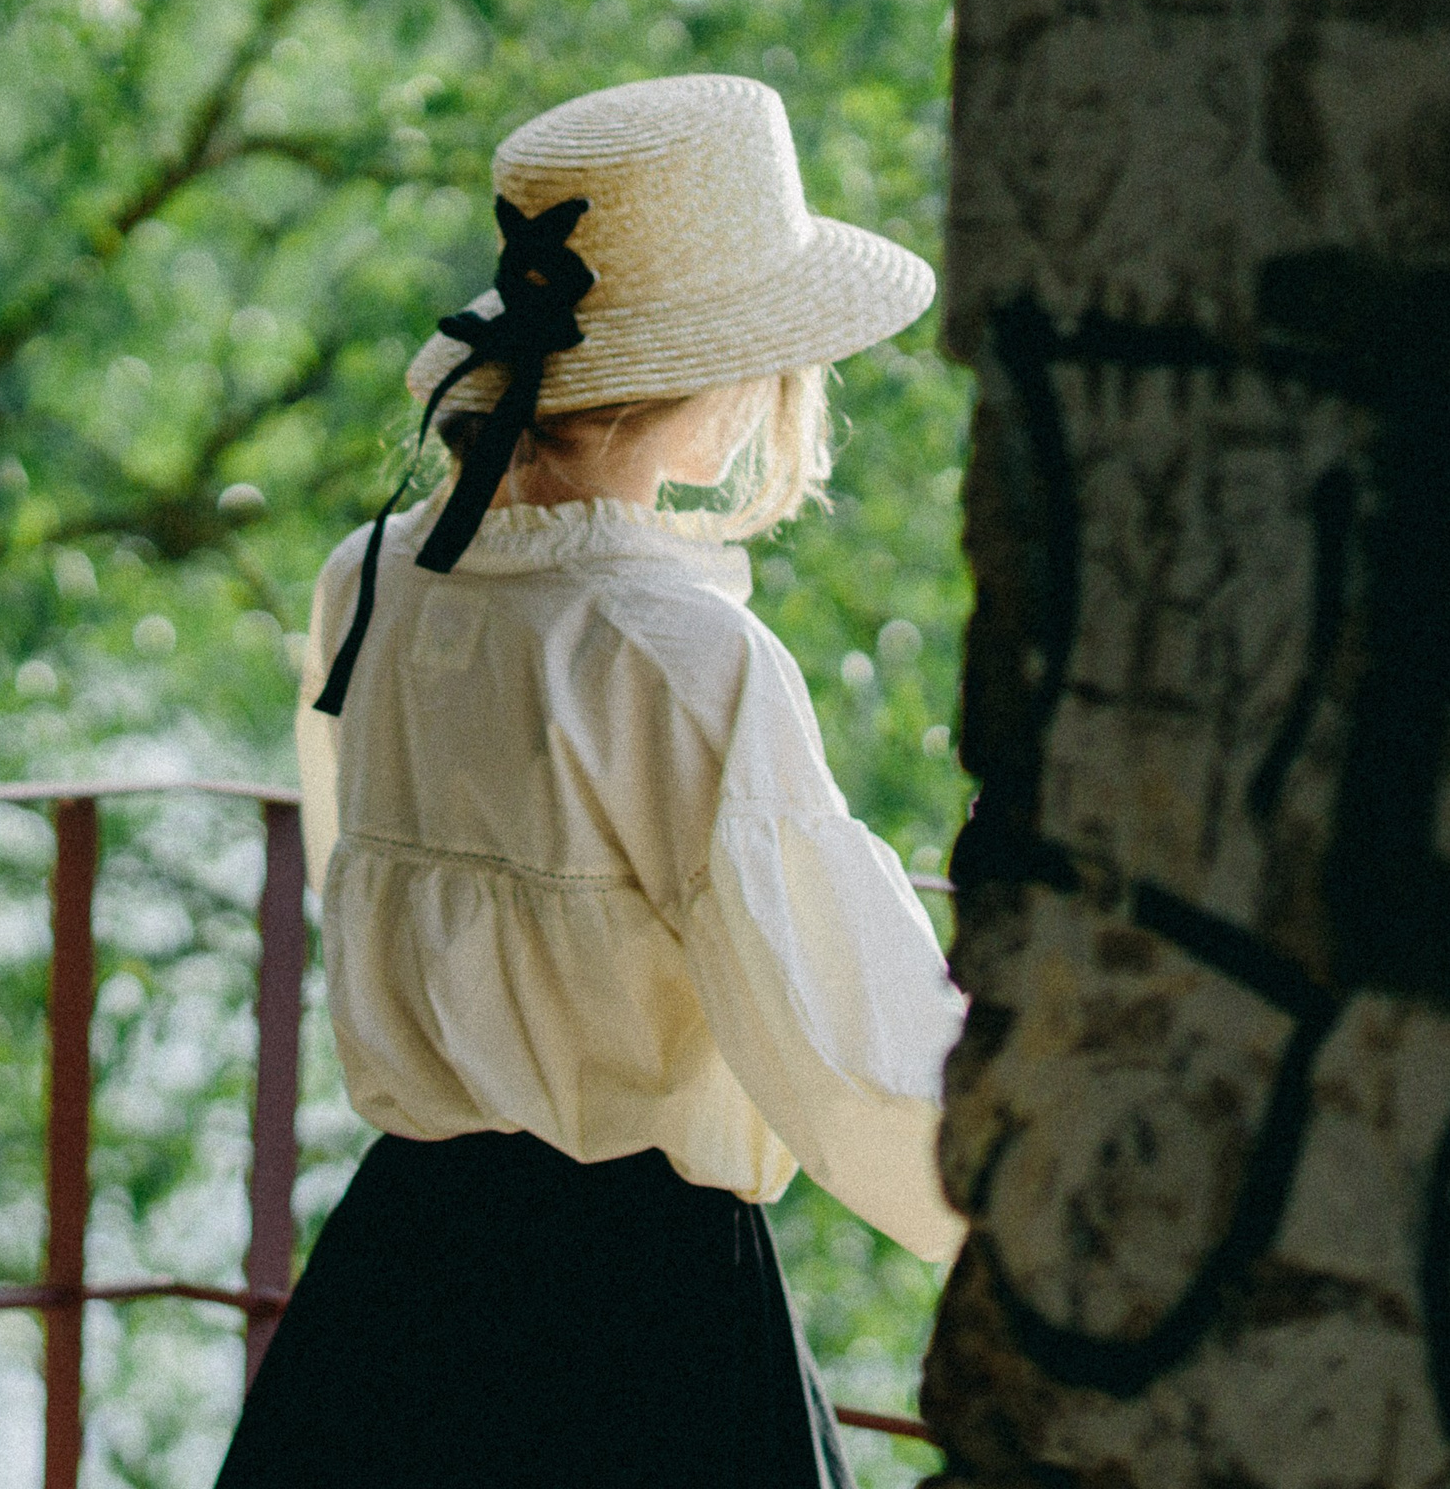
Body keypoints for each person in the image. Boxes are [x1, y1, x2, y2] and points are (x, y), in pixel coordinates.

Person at [216, 74, 964, 1489]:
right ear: (736, 373)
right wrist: (1044, 1192)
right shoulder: (683, 652)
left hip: (401, 1284)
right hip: (641, 1316)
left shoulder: (368, 581)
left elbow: (361, 888)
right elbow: (841, 1043)